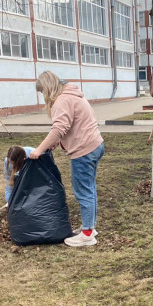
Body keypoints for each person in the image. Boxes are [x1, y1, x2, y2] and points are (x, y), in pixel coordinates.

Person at [31, 71, 104, 247]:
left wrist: (39, 150)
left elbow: (59, 128)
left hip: (83, 150)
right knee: (89, 188)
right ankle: (90, 228)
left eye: (42, 92)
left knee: (82, 191)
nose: (43, 96)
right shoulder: (72, 94)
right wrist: (58, 142)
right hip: (95, 145)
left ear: (47, 88)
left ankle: (87, 235)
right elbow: (72, 124)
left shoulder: (62, 100)